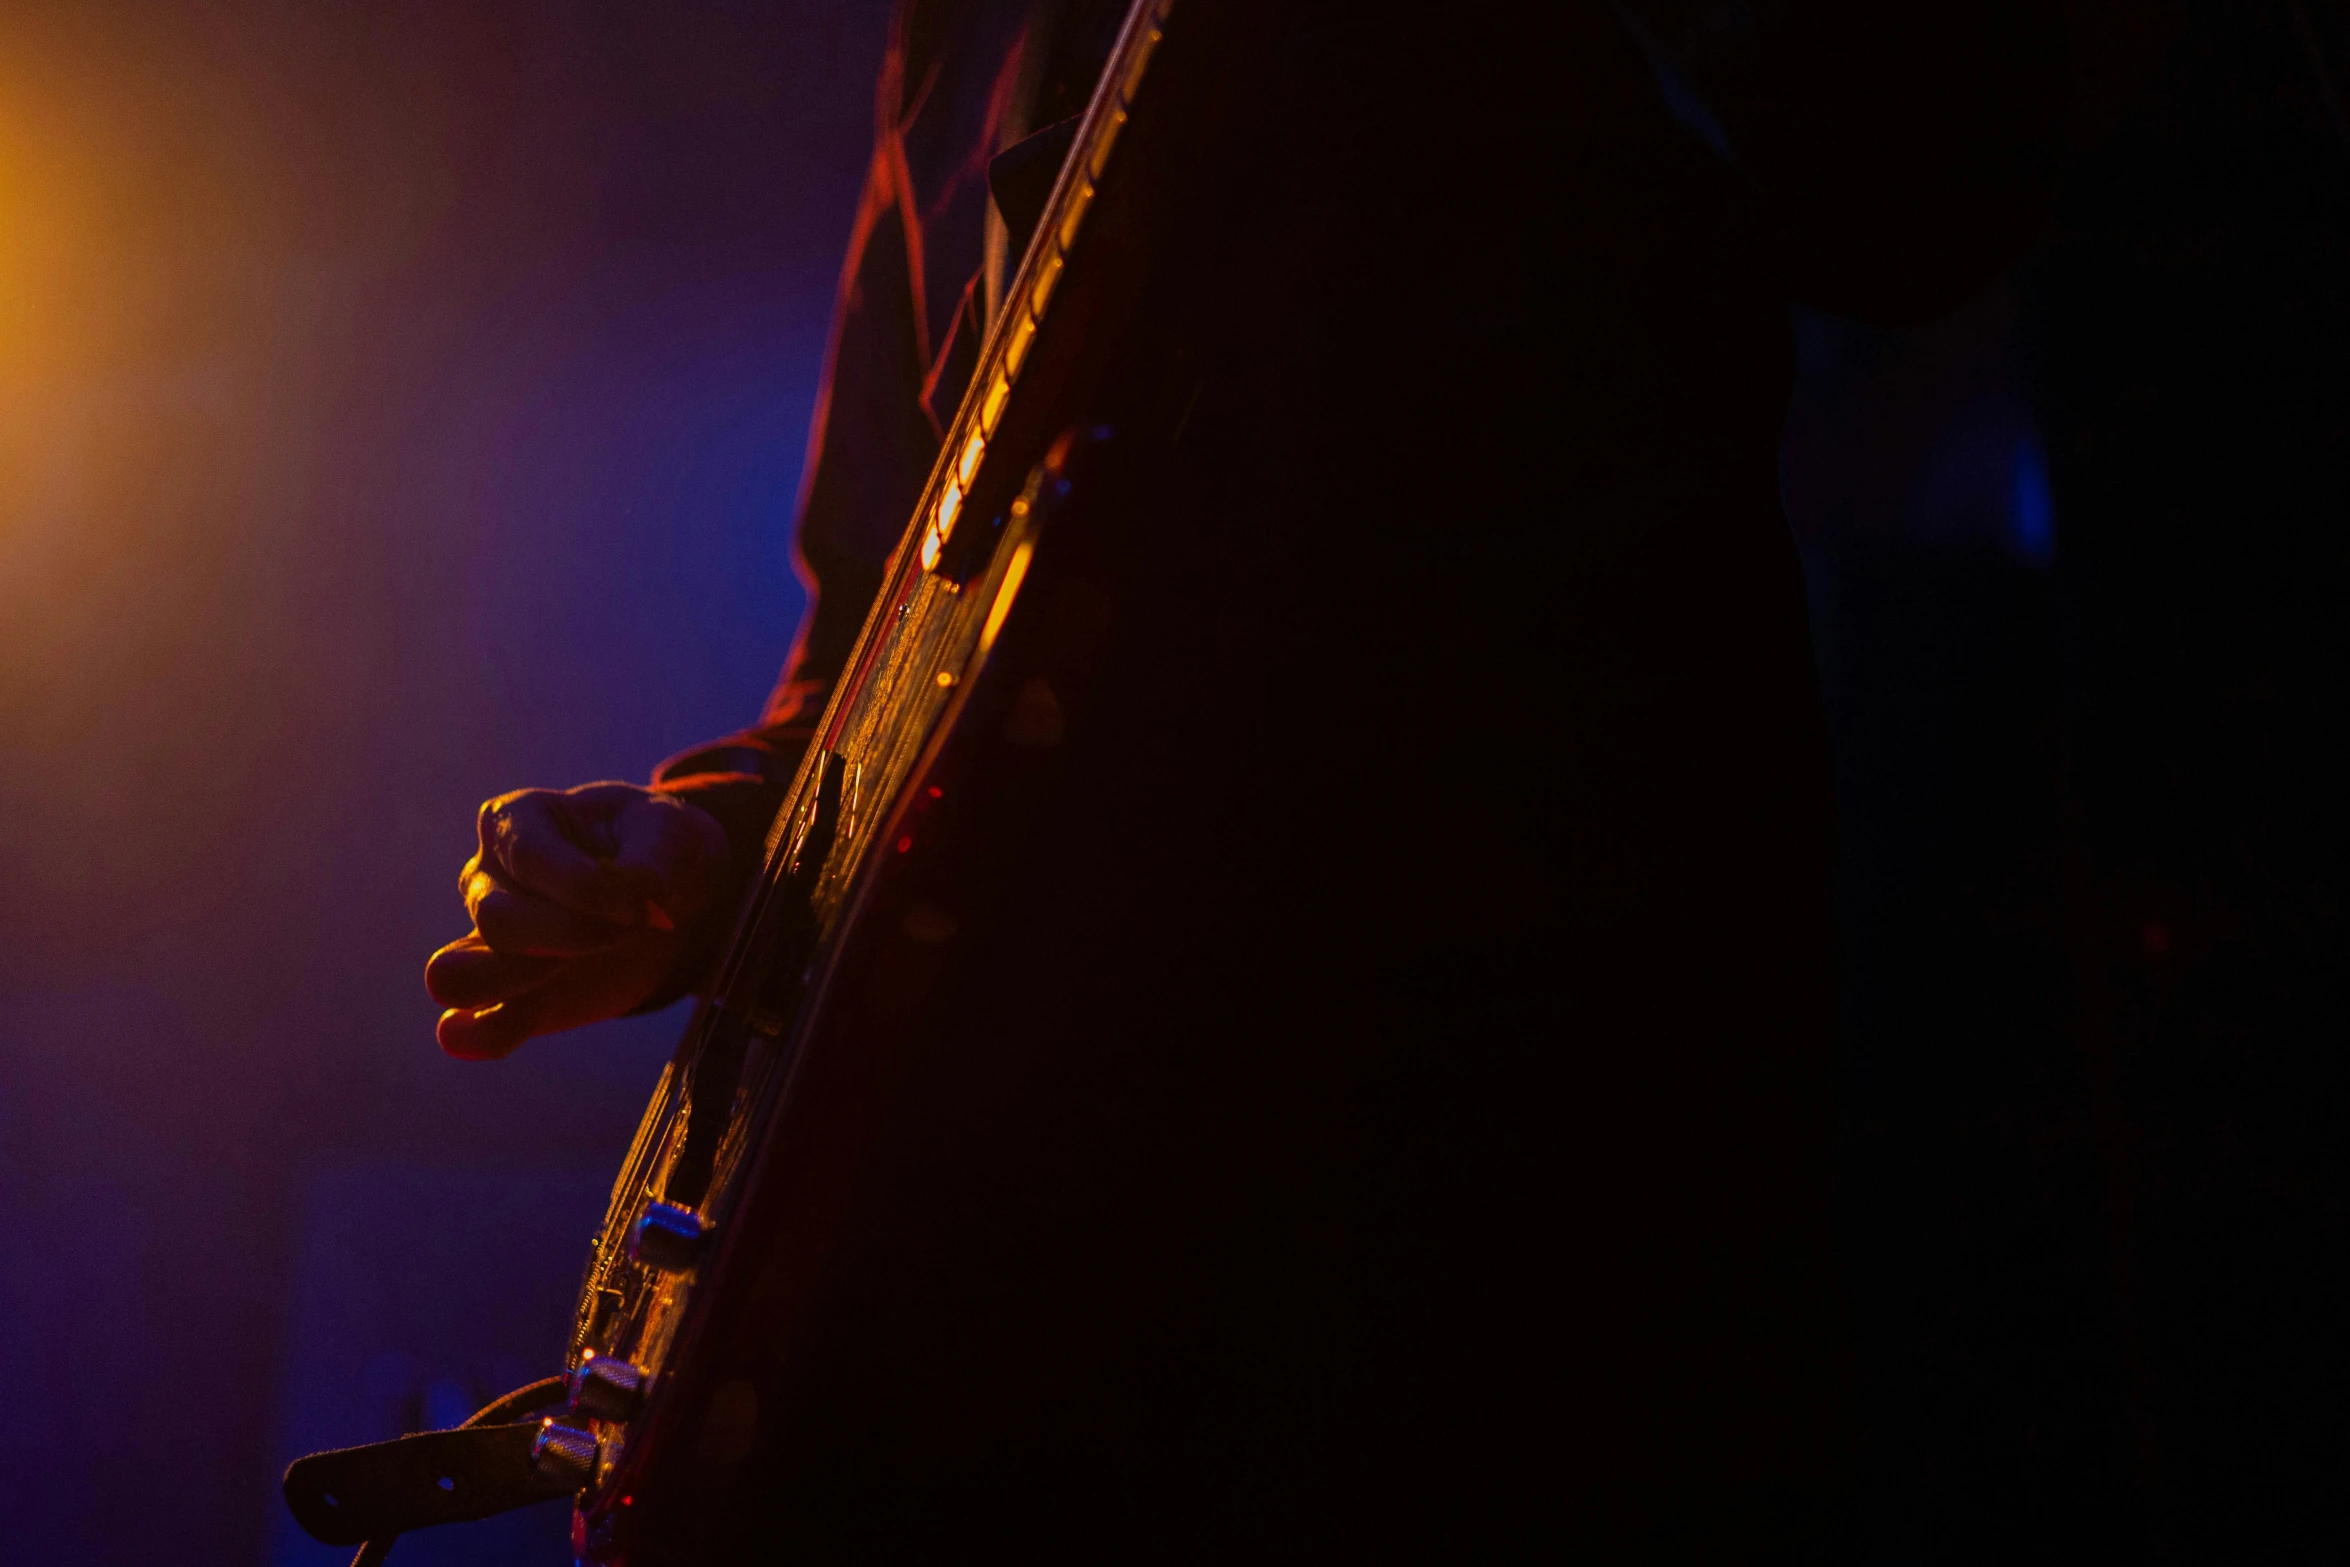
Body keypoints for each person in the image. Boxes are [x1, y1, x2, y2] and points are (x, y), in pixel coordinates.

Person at [426, 1, 2066, 1552]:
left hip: (1493, 1192)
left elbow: (1913, 180)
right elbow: (885, 609)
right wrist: (711, 852)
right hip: (1018, 1281)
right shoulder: (954, 30)